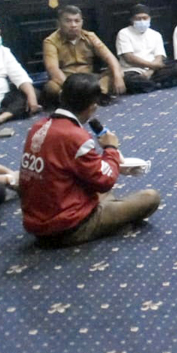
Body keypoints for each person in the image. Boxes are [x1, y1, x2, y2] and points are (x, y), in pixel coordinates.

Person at [19, 73, 161, 247]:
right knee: (150, 197)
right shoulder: (75, 136)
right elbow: (105, 181)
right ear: (93, 107)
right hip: (67, 227)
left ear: (62, 96)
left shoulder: (37, 127)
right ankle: (108, 224)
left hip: (36, 222)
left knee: (99, 187)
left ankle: (111, 217)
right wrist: (110, 148)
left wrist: (110, 163)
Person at [42, 5, 126, 105]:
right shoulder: (50, 41)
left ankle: (89, 96)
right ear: (59, 23)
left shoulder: (90, 36)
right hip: (67, 81)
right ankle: (93, 96)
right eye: (68, 21)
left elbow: (109, 57)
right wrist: (71, 88)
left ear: (82, 22)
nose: (73, 25)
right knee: (51, 87)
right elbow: (52, 69)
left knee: (116, 71)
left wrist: (117, 76)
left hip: (88, 79)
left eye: (77, 21)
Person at [115, 4, 177, 93]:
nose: (142, 21)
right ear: (132, 20)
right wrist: (152, 66)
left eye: (145, 18)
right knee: (129, 80)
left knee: (176, 67)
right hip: (133, 69)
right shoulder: (123, 33)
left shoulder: (156, 34)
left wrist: (151, 71)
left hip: (154, 70)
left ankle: (149, 85)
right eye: (138, 19)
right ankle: (159, 84)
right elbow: (129, 58)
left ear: (149, 18)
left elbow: (159, 57)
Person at [0, 18, 41, 127]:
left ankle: (2, 117)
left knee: (32, 92)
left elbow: (20, 76)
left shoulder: (3, 51)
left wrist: (31, 96)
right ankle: (11, 113)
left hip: (4, 97)